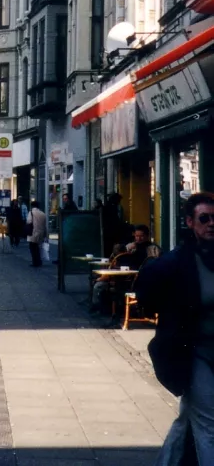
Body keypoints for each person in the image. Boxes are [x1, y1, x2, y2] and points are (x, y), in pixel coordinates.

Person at [136, 193, 214, 464]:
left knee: (189, 417)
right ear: (190, 222)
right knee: (209, 424)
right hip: (193, 353)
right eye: (205, 218)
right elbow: (146, 289)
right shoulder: (178, 261)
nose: (211, 224)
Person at [27, 200, 47, 267]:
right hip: (41, 232)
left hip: (33, 232)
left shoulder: (31, 212)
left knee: (32, 247)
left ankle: (35, 262)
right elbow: (44, 225)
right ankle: (39, 261)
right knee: (37, 247)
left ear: (32, 206)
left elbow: (29, 221)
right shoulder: (43, 214)